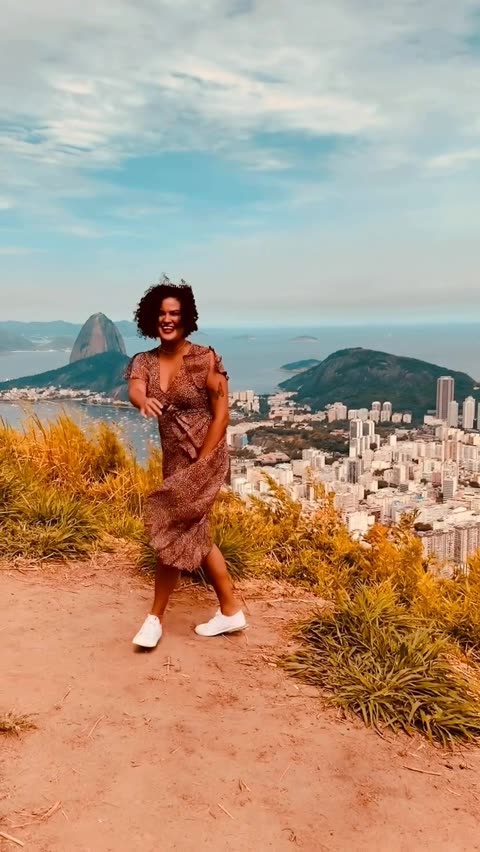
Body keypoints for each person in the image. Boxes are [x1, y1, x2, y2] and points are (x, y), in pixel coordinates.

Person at [124, 277, 246, 648]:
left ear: (186, 317)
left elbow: (222, 416)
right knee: (194, 531)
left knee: (172, 527)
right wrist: (142, 401)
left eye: (174, 313)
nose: (168, 319)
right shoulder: (144, 361)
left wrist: (202, 466)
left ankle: (154, 618)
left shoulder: (206, 358)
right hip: (174, 460)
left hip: (205, 458)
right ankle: (230, 610)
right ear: (152, 318)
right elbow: (135, 388)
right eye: (161, 313)